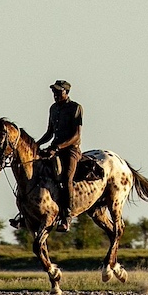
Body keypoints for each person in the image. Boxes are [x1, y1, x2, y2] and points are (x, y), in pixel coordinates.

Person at [36, 80, 83, 230]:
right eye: (54, 92)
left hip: (70, 150)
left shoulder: (75, 108)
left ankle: (67, 216)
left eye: (58, 92)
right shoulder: (53, 108)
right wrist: (36, 145)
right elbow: (50, 132)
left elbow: (76, 135)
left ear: (66, 92)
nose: (55, 95)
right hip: (54, 149)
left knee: (66, 179)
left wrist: (57, 147)